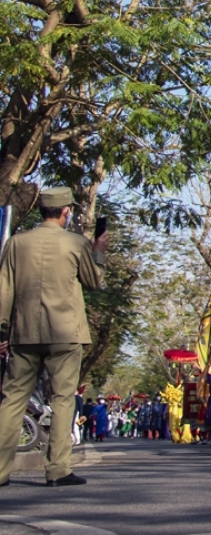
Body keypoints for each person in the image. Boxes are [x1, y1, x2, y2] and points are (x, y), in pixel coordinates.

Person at [0, 187, 108, 487]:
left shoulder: (16, 243)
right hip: (65, 332)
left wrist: (2, 328)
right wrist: (98, 249)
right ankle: (57, 469)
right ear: (66, 211)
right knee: (62, 399)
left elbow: (4, 290)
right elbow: (94, 281)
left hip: (23, 332)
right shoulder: (76, 243)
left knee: (11, 401)